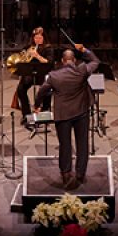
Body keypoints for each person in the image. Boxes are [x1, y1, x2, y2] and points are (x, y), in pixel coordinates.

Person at [34, 42, 100, 190]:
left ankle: (65, 175)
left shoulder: (53, 76)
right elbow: (95, 61)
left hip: (63, 115)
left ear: (62, 61)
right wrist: (84, 49)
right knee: (82, 144)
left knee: (65, 145)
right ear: (74, 61)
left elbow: (41, 91)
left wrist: (37, 105)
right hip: (81, 112)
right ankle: (80, 175)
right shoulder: (82, 70)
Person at [13, 27, 54, 128]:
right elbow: (21, 59)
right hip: (31, 74)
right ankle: (26, 114)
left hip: (44, 74)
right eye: (36, 38)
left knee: (48, 89)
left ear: (44, 38)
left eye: (40, 38)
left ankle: (44, 112)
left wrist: (37, 56)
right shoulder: (28, 47)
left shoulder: (48, 48)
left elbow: (49, 62)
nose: (38, 40)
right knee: (21, 89)